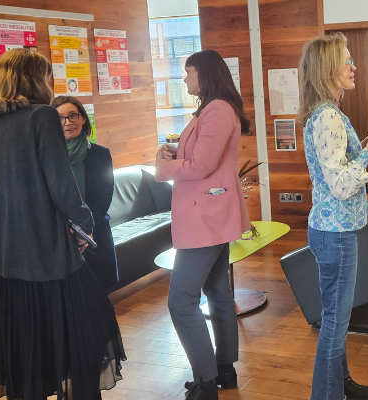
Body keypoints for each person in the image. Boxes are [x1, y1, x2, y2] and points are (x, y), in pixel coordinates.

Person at [0, 48, 126, 400]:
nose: (49, 83)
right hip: (46, 254)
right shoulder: (41, 116)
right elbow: (62, 186)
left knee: (26, 346)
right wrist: (85, 226)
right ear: (33, 79)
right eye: (46, 76)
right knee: (89, 331)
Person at [298, 33, 368, 400]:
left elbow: (338, 171)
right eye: (347, 61)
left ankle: (340, 384)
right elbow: (342, 185)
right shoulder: (327, 117)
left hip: (333, 230)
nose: (353, 66)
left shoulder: (329, 113)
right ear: (329, 69)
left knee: (335, 321)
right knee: (335, 324)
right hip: (335, 234)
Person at [155, 49, 250, 400]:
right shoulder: (214, 109)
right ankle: (223, 370)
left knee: (180, 301)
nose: (184, 78)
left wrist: (162, 166)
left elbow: (200, 166)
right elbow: (198, 157)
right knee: (218, 293)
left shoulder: (218, 110)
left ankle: (205, 382)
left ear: (205, 74)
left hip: (204, 218)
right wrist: (175, 150)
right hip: (209, 215)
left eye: (188, 71)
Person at [51, 96, 118, 292]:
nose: (68, 122)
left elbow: (103, 196)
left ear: (83, 119)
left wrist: (83, 230)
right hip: (60, 235)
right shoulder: (47, 158)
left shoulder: (100, 154)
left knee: (99, 292)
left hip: (94, 232)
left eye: (73, 116)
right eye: (60, 118)